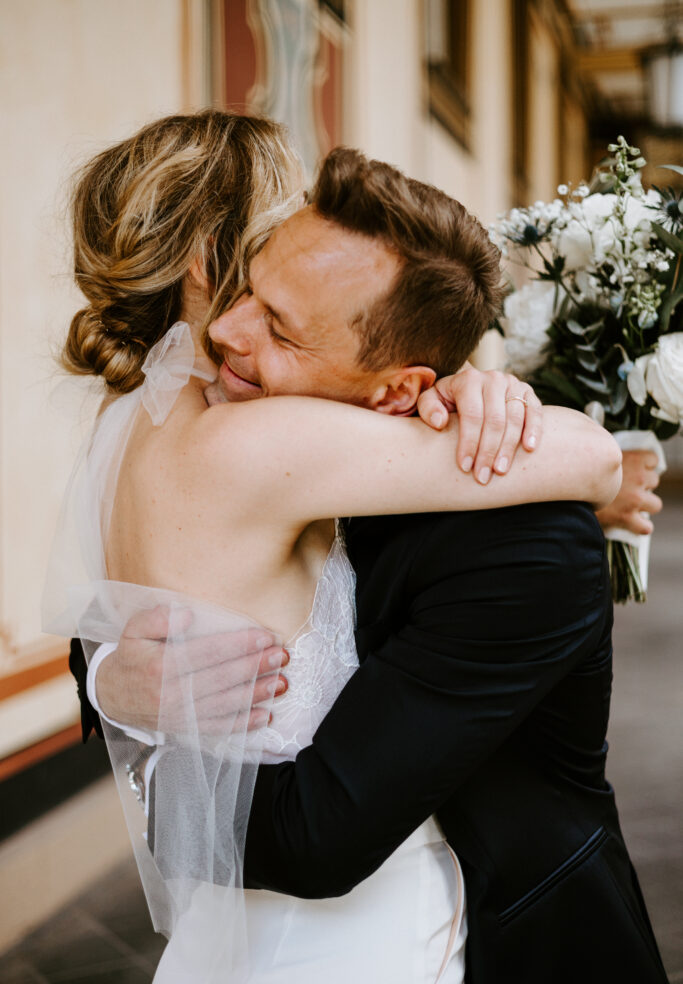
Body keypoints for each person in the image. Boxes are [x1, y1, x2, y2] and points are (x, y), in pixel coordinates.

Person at [55, 115, 640, 983]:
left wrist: (472, 388)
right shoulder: (254, 438)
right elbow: (593, 456)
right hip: (348, 925)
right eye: (258, 272)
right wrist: (580, 449)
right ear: (213, 261)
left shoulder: (138, 411)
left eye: (284, 324)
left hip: (246, 925)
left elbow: (128, 607)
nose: (235, 333)